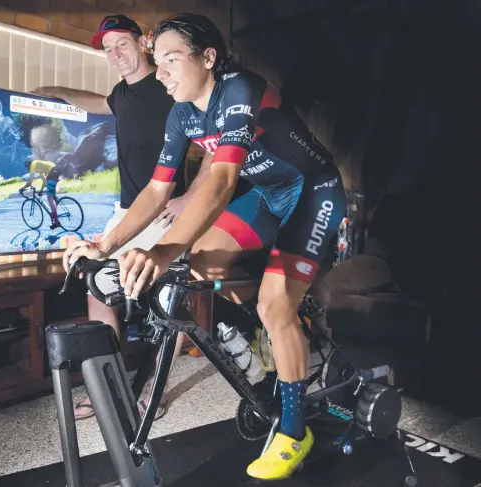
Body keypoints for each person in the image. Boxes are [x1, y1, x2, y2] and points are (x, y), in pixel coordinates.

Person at [63, 13, 347, 481]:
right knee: (199, 266)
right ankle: (283, 317)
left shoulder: (239, 89)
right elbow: (156, 193)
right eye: (159, 62)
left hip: (313, 191)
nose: (162, 73)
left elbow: (220, 183)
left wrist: (160, 251)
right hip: (269, 197)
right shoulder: (183, 113)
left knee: (274, 304)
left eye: (172, 59)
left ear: (208, 57)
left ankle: (295, 431)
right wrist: (104, 243)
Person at [34, 14, 214, 420]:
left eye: (122, 44)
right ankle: (107, 385)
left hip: (166, 211)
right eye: (108, 48)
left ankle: (152, 389)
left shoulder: (171, 86)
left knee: (163, 307)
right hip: (128, 211)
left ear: (141, 43)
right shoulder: (121, 95)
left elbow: (213, 147)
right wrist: (56, 92)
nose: (116, 53)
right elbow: (99, 103)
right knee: (96, 284)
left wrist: (188, 197)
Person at [20, 157, 61, 229]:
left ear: (29, 164)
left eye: (27, 167)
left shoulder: (33, 164)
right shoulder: (39, 166)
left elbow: (30, 181)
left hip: (52, 172)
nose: (28, 169)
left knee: (49, 198)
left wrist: (22, 188)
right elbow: (45, 182)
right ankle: (55, 205)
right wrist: (41, 190)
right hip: (55, 170)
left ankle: (56, 222)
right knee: (50, 190)